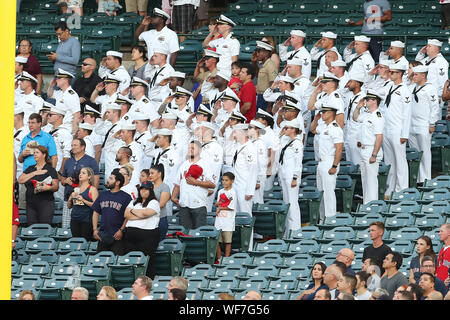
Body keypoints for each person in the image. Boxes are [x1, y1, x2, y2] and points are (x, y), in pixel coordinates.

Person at [171, 140, 215, 230]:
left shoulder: (205, 165)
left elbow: (212, 184)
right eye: (189, 148)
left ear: (200, 150)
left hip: (199, 204)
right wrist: (174, 197)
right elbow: (177, 184)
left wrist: (196, 182)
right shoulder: (183, 165)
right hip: (184, 205)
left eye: (193, 148)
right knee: (185, 233)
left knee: (199, 233)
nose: (190, 150)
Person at [310, 105, 344, 221]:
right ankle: (322, 218)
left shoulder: (335, 128)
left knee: (329, 192)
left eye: (324, 112)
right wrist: (315, 119)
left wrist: (334, 166)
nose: (322, 114)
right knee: (321, 192)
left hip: (330, 161)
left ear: (331, 113)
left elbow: (339, 148)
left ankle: (330, 218)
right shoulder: (323, 126)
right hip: (321, 162)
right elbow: (313, 130)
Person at [409, 65, 441, 185]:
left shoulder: (430, 88)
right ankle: (418, 178)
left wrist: (432, 123)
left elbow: (435, 107)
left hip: (424, 124)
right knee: (416, 152)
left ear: (423, 75)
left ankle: (426, 179)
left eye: (416, 74)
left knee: (425, 152)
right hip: (411, 125)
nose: (414, 76)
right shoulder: (412, 87)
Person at [124, 181, 161, 279]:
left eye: (146, 189)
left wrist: (133, 212)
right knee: (131, 259)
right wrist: (140, 214)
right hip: (131, 236)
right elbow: (126, 215)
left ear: (150, 191)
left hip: (148, 236)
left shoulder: (154, 202)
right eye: (142, 189)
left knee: (147, 260)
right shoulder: (134, 201)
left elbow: (146, 213)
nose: (143, 191)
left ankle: (148, 280)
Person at [60, 138, 99, 229]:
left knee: (83, 228)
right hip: (69, 197)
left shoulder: (91, 161)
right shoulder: (68, 161)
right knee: (66, 228)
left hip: (85, 199)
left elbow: (96, 180)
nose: (72, 147)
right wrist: (66, 181)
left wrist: (91, 195)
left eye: (75, 145)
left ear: (82, 147)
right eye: (72, 145)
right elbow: (62, 179)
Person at [353, 91, 385, 204]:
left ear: (375, 101)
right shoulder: (367, 115)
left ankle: (372, 204)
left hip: (372, 149)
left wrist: (374, 155)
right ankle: (367, 203)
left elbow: (379, 137)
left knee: (371, 180)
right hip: (364, 149)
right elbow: (355, 118)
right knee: (365, 179)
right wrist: (358, 107)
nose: (365, 101)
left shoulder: (377, 116)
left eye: (368, 99)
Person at [92, 169, 132, 255]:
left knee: (116, 262)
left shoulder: (126, 197)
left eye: (111, 178)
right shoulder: (102, 195)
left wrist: (121, 230)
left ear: (117, 183)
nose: (108, 180)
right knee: (100, 262)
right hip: (103, 234)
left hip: (118, 236)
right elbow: (95, 212)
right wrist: (95, 229)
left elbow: (129, 216)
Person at [18, 146, 59, 226]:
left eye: (37, 153)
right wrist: (34, 173)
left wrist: (48, 188)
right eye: (34, 153)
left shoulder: (50, 169)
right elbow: (20, 180)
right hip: (30, 204)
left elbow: (56, 186)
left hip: (45, 203)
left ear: (44, 155)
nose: (35, 155)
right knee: (31, 228)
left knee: (44, 228)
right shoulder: (31, 168)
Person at [278, 119, 303, 232]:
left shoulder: (297, 142)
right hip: (285, 174)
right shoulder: (287, 141)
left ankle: (295, 230)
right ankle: (289, 230)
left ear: (294, 130)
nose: (285, 129)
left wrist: (295, 178)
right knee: (287, 203)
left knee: (292, 203)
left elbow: (298, 162)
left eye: (287, 128)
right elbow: (277, 148)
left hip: (291, 176)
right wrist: (280, 134)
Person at [67, 167, 99, 241]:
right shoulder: (76, 189)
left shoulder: (92, 189)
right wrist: (70, 198)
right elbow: (69, 206)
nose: (80, 174)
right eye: (80, 173)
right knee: (75, 241)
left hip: (86, 220)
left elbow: (96, 206)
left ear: (89, 176)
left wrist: (83, 200)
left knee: (84, 242)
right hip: (74, 218)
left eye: (83, 173)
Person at [47, 68, 82, 134]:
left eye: (59, 78)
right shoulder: (59, 92)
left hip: (67, 128)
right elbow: (50, 94)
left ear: (66, 80)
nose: (57, 80)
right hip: (58, 126)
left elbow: (77, 115)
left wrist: (73, 133)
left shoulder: (72, 95)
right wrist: (51, 85)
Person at [215, 172, 237, 260]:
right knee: (217, 241)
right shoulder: (220, 191)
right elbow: (218, 203)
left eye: (226, 180)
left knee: (227, 242)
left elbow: (232, 206)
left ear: (232, 181)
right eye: (223, 180)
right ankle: (219, 258)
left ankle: (226, 259)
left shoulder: (233, 193)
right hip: (219, 220)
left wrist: (220, 208)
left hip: (228, 221)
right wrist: (218, 205)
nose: (224, 182)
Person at [252, 40, 278, 111]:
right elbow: (258, 75)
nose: (257, 54)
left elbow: (273, 84)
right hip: (261, 96)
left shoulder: (270, 65)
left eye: (259, 52)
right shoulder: (264, 64)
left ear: (266, 53)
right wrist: (254, 63)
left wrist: (269, 104)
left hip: (266, 98)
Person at [148, 164, 171, 241]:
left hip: (160, 219)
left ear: (159, 174)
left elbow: (161, 204)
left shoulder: (165, 187)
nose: (150, 175)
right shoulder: (149, 186)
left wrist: (145, 211)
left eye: (152, 173)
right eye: (149, 173)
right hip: (148, 219)